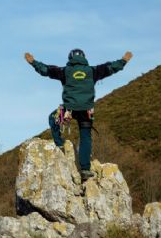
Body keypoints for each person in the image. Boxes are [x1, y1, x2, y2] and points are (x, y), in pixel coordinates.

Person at [24, 48, 133, 181]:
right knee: (85, 136)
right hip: (86, 111)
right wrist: (123, 60)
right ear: (84, 58)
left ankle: (60, 145)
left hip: (69, 109)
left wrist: (33, 62)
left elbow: (46, 70)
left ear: (70, 58)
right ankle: (85, 169)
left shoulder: (64, 71)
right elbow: (110, 67)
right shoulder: (93, 71)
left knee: (52, 119)